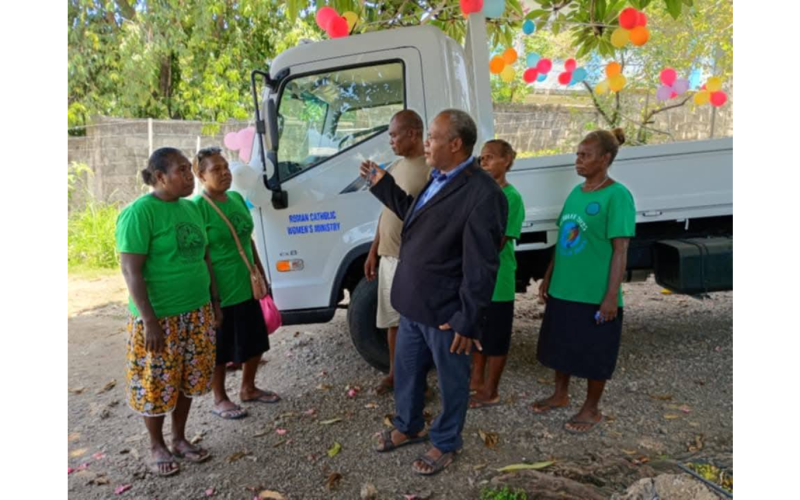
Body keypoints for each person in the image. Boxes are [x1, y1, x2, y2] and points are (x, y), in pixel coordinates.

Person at [360, 109, 507, 476]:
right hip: (413, 303)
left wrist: (466, 320)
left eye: (433, 137)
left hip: (445, 313)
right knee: (408, 372)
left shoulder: (482, 194)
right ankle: (409, 425)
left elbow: (482, 265)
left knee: (452, 380)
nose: (426, 142)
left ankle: (445, 441)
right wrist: (383, 185)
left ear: (455, 144)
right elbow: (416, 218)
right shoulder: (437, 177)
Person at [116, 147, 222, 476]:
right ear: (160, 177)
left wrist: (214, 303)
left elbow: (205, 258)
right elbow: (131, 271)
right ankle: (156, 445)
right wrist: (149, 321)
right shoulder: (139, 213)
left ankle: (179, 438)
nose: (190, 176)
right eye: (182, 171)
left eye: (190, 170)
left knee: (187, 379)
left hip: (196, 312)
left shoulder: (192, 210)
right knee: (157, 384)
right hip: (160, 319)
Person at [533, 128, 636, 434]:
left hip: (594, 293)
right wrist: (549, 275)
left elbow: (620, 250)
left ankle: (591, 409)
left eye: (585, 155)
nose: (578, 161)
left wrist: (610, 296)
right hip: (565, 288)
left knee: (595, 352)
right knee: (560, 345)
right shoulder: (577, 194)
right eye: (577, 154)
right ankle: (560, 395)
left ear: (605, 159)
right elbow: (564, 238)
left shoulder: (617, 196)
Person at [192, 147, 279, 420]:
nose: (224, 173)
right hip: (220, 289)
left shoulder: (236, 199)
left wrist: (262, 275)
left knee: (255, 340)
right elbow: (200, 254)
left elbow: (248, 240)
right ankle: (220, 398)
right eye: (215, 169)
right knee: (222, 347)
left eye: (225, 167)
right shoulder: (197, 208)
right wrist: (211, 297)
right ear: (200, 175)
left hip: (247, 283)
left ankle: (248, 388)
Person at [363, 110, 431, 395]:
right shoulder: (395, 166)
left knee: (416, 323)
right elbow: (387, 209)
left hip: (413, 261)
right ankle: (394, 374)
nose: (390, 141)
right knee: (393, 320)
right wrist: (374, 250)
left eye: (394, 135)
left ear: (412, 133)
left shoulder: (431, 168)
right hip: (389, 256)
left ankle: (421, 382)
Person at [469, 139, 524, 409]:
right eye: (482, 158)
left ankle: (491, 390)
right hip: (479, 277)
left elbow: (498, 241)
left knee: (497, 337)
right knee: (478, 330)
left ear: (507, 160)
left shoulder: (511, 197)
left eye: (490, 157)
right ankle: (476, 381)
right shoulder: (482, 192)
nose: (485, 163)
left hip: (498, 279)